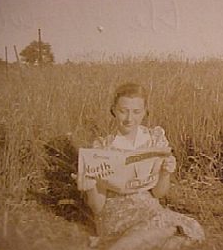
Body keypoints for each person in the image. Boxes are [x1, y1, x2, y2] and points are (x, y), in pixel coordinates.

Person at [79, 82, 205, 249]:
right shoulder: (103, 147)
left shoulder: (154, 139)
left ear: (145, 111)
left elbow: (158, 193)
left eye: (136, 112)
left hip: (149, 209)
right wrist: (90, 187)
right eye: (123, 111)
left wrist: (166, 172)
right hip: (117, 215)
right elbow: (97, 207)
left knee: (192, 229)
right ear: (114, 111)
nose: (129, 119)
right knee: (168, 230)